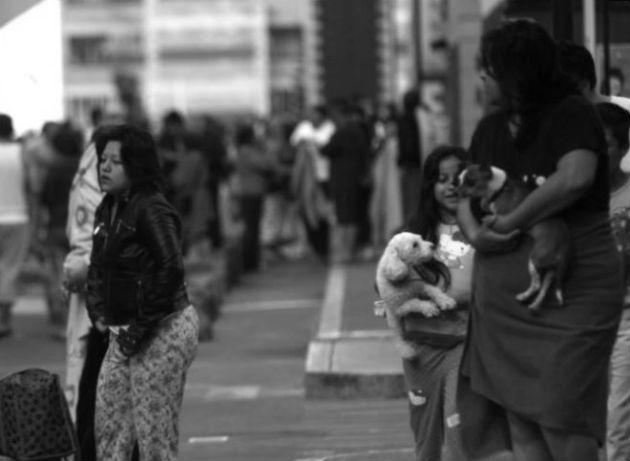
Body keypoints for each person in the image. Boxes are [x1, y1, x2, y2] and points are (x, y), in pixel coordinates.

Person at [456, 19, 623, 461]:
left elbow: (575, 178)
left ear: (514, 73)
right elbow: (469, 195)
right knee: (521, 418)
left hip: (577, 283)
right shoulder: (490, 128)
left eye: (488, 70)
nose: (482, 79)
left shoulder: (572, 112)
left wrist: (514, 221)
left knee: (563, 414)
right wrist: (480, 233)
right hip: (504, 294)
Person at [86, 124, 199, 460]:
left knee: (154, 439)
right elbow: (97, 267)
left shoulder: (151, 207)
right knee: (109, 431)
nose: (104, 167)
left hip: (162, 329)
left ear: (136, 166)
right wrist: (100, 316)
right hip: (125, 332)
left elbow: (172, 269)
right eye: (102, 159)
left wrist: (140, 327)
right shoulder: (108, 207)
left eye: (114, 161)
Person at [402, 145, 474, 461]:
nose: (450, 186)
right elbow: (387, 286)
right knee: (426, 437)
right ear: (430, 185)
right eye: (441, 179)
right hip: (422, 347)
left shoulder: (482, 227)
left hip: (466, 343)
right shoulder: (411, 237)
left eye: (457, 177)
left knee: (458, 424)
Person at [596, 101, 630, 461]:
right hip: (583, 322)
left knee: (618, 427)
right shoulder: (572, 194)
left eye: (603, 143)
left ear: (622, 147)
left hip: (625, 321)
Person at [0, 113, 30, 339]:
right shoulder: (22, 153)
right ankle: (4, 320)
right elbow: (32, 186)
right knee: (10, 268)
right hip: (18, 216)